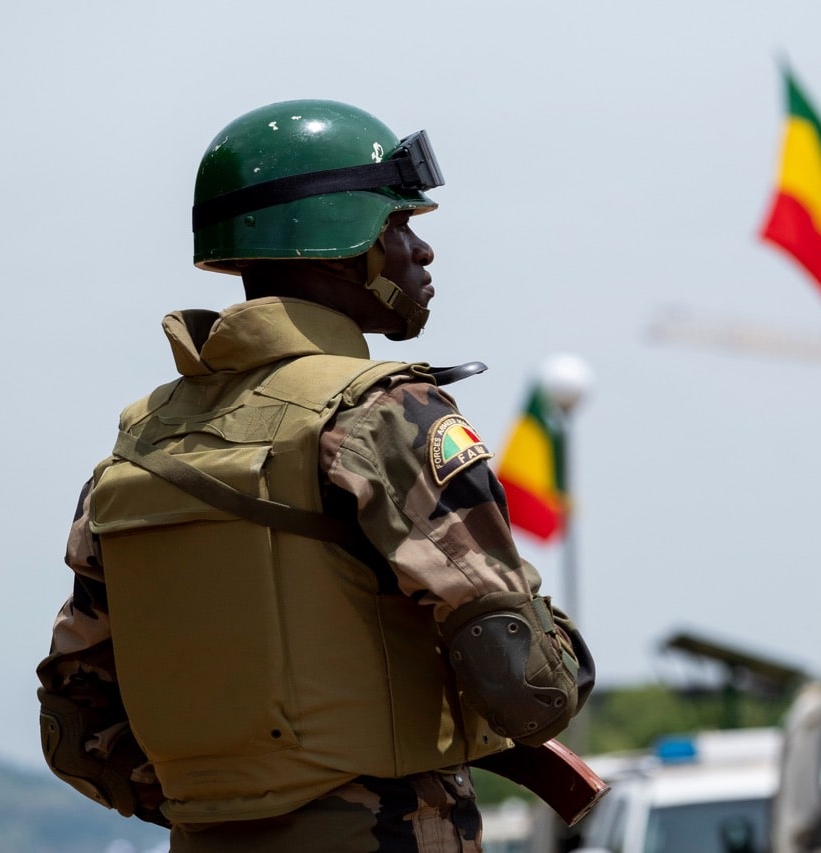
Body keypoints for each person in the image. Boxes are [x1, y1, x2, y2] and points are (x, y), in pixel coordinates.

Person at [36, 99, 594, 852]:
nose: (421, 252)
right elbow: (532, 690)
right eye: (399, 227)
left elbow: (77, 728)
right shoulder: (386, 414)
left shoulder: (141, 442)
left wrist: (242, 800)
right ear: (339, 245)